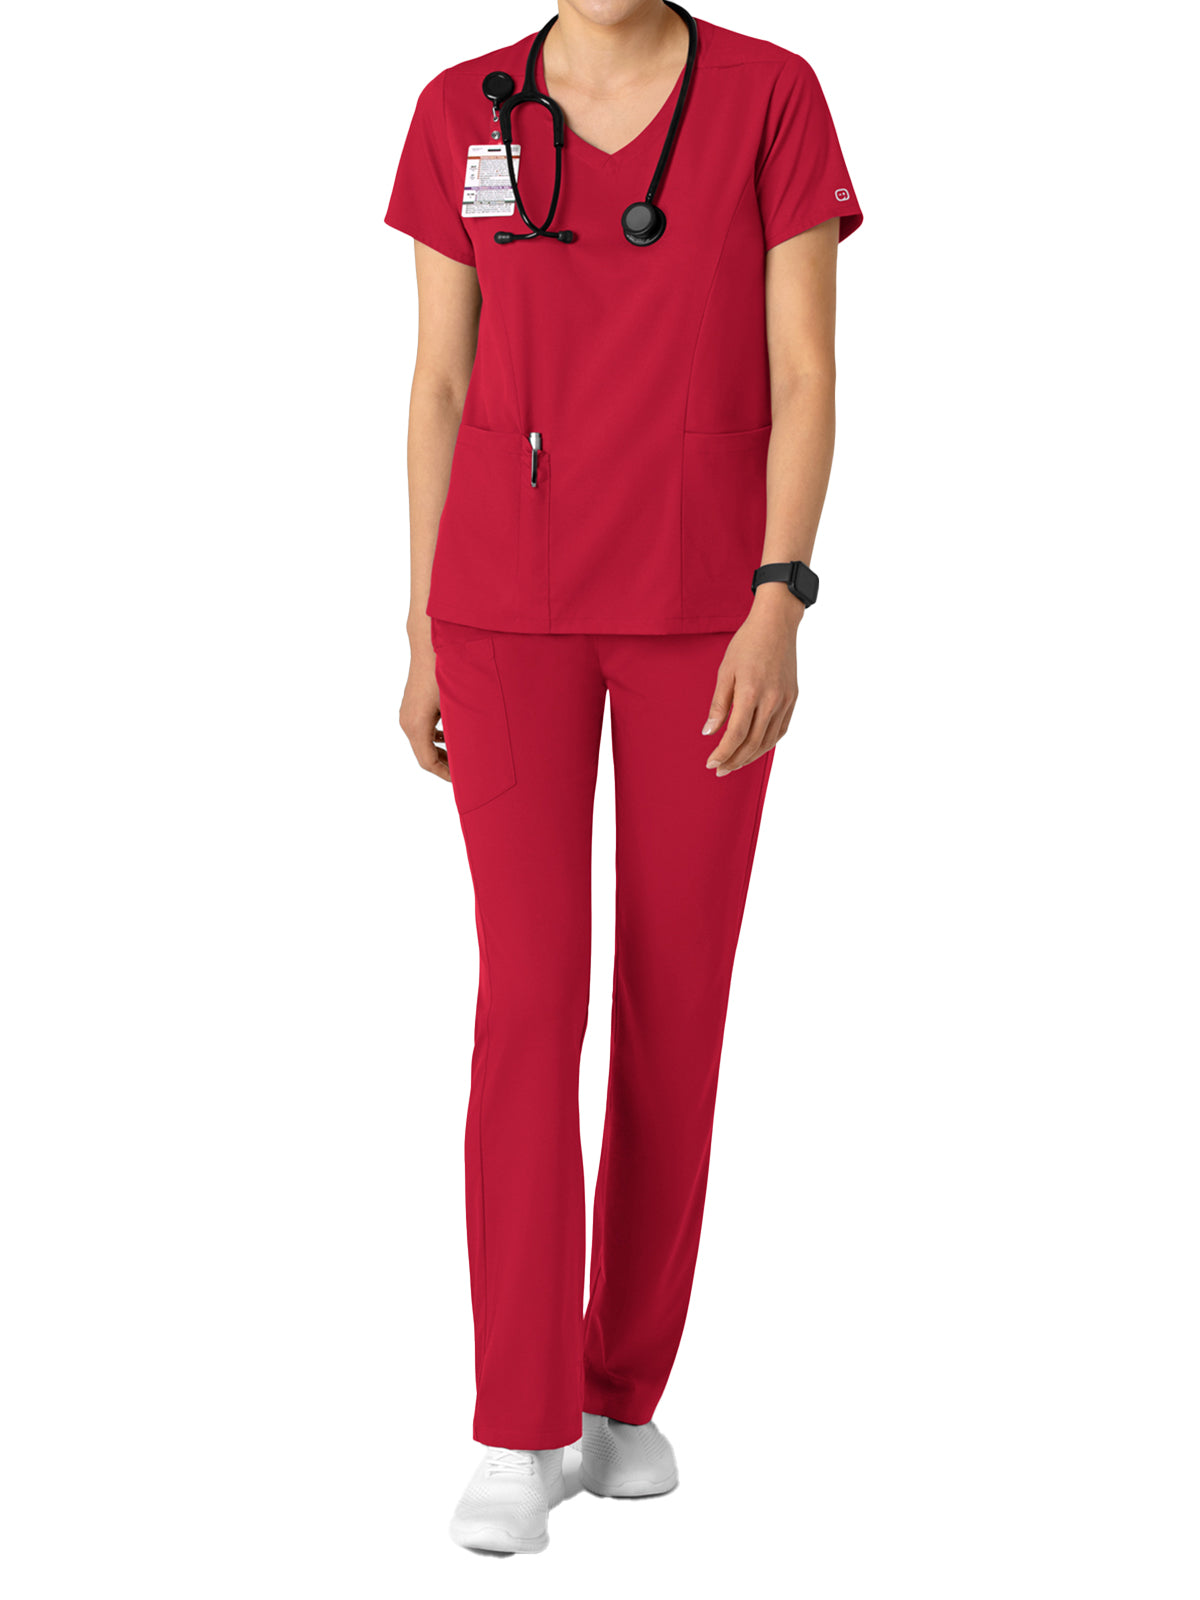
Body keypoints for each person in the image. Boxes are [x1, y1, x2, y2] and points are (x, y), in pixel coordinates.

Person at [383, 0, 862, 1554]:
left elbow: (806, 369)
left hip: (702, 608)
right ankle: (519, 1424)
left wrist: (780, 596)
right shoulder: (463, 107)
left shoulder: (772, 98)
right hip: (501, 610)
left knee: (676, 999)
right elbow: (438, 382)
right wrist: (420, 625)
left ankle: (616, 1396)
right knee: (530, 1003)